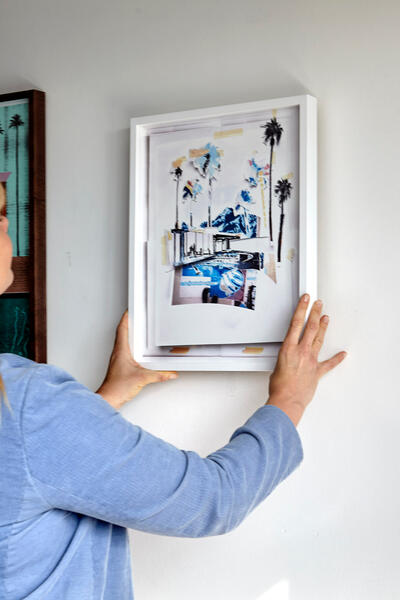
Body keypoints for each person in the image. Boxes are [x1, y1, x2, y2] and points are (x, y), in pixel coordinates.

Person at [0, 187, 347, 599]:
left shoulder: (26, 408)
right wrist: (289, 398)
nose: (7, 226)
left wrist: (102, 398)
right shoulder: (26, 402)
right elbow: (214, 499)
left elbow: (25, 466)